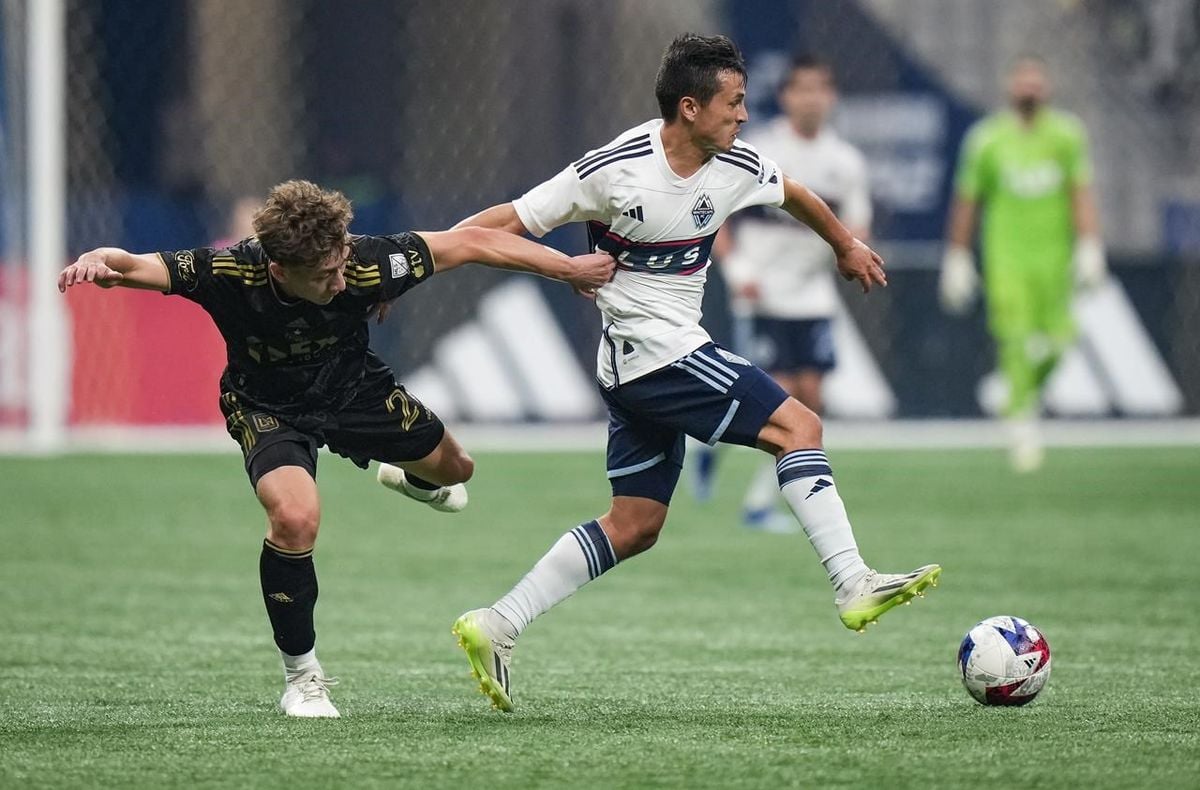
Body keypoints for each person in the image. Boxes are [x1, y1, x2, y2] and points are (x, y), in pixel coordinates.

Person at [448, 34, 941, 713]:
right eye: (733, 103)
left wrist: (846, 244)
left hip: (641, 364)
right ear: (690, 107)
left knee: (635, 524)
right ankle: (852, 581)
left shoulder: (734, 161)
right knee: (799, 423)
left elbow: (794, 193)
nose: (743, 115)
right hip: (658, 357)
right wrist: (420, 260)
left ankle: (498, 622)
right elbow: (502, 224)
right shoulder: (614, 169)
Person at [57, 179, 615, 718]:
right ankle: (302, 678)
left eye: (342, 263)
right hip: (269, 407)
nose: (342, 280)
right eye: (325, 275)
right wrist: (97, 261)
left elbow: (471, 241)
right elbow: (129, 264)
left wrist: (566, 269)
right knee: (295, 518)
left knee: (456, 469)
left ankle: (410, 477)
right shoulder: (228, 272)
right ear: (278, 270)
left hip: (354, 392)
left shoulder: (363, 262)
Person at [690, 54, 872, 532]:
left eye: (820, 88)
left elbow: (853, 228)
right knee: (778, 396)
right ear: (787, 95)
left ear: (831, 97)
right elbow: (717, 216)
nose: (811, 98)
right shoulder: (760, 150)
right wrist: (736, 268)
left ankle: (756, 500)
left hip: (812, 296)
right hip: (761, 292)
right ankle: (709, 446)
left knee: (810, 401)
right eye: (801, 88)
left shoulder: (845, 163)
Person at [940, 56, 1106, 472]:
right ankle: (1022, 423)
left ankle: (1016, 391)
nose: (1030, 87)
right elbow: (967, 200)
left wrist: (1090, 245)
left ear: (1046, 86)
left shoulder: (1066, 135)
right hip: (1007, 258)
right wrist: (957, 255)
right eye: (1023, 80)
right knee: (1014, 339)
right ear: (1010, 86)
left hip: (1055, 259)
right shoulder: (987, 139)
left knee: (1060, 343)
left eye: (1037, 80)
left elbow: (1079, 192)